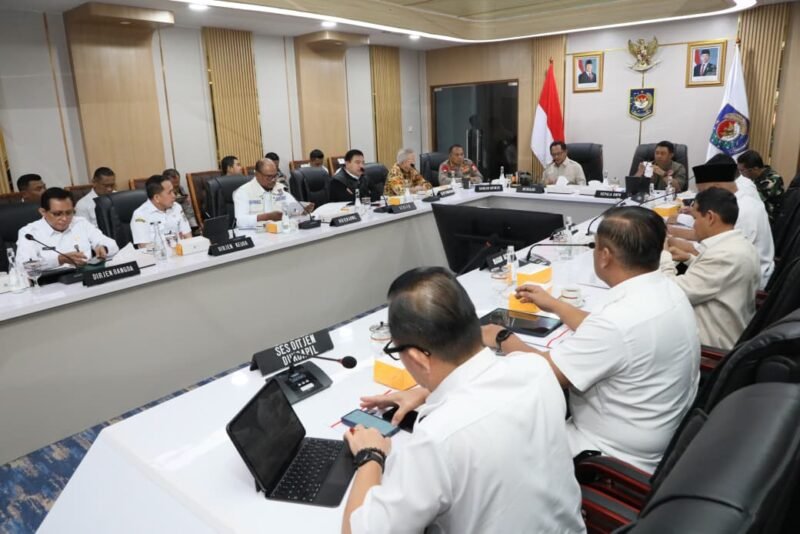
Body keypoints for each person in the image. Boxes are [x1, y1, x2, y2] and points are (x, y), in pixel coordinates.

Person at [342, 267, 585, 534]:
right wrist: (427, 391)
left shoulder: (437, 438)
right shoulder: (535, 369)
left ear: (416, 357)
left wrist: (371, 455)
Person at [484, 206, 700, 473]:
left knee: (498, 443)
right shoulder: (666, 289)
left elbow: (545, 373)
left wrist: (501, 336)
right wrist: (554, 304)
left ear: (605, 256)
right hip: (661, 430)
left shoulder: (617, 322)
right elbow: (613, 334)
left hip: (608, 455)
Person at [661, 188, 760, 350]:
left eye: (695, 218)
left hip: (710, 348)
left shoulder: (724, 255)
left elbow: (672, 292)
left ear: (710, 217)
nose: (694, 225)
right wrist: (689, 259)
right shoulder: (739, 244)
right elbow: (718, 279)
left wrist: (664, 254)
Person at [668, 154, 774, 289]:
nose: (700, 198)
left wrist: (673, 244)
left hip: (746, 283)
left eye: (703, 192)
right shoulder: (735, 201)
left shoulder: (742, 210)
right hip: (732, 271)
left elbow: (719, 256)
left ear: (716, 188)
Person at [16, 187, 118, 269]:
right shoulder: (29, 233)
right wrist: (59, 260)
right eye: (57, 214)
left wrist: (103, 248)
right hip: (51, 284)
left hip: (86, 276)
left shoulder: (80, 223)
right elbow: (24, 266)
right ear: (43, 212)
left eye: (69, 213)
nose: (64, 218)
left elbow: (113, 245)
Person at [232, 158, 306, 229]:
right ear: (257, 174)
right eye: (269, 176)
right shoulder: (243, 192)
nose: (273, 180)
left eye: (275, 176)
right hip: (256, 233)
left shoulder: (280, 188)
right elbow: (240, 222)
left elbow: (293, 207)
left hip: (281, 230)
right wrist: (266, 217)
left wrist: (302, 210)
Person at [130, 175, 192, 248]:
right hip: (157, 254)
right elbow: (145, 247)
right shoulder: (140, 215)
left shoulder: (176, 207)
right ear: (157, 198)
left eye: (173, 191)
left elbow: (188, 236)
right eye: (169, 192)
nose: (174, 196)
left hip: (181, 251)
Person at [737, 149, 784, 227]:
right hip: (755, 217)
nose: (740, 174)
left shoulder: (773, 180)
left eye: (742, 170)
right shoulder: (753, 177)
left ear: (755, 169)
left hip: (770, 222)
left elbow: (753, 199)